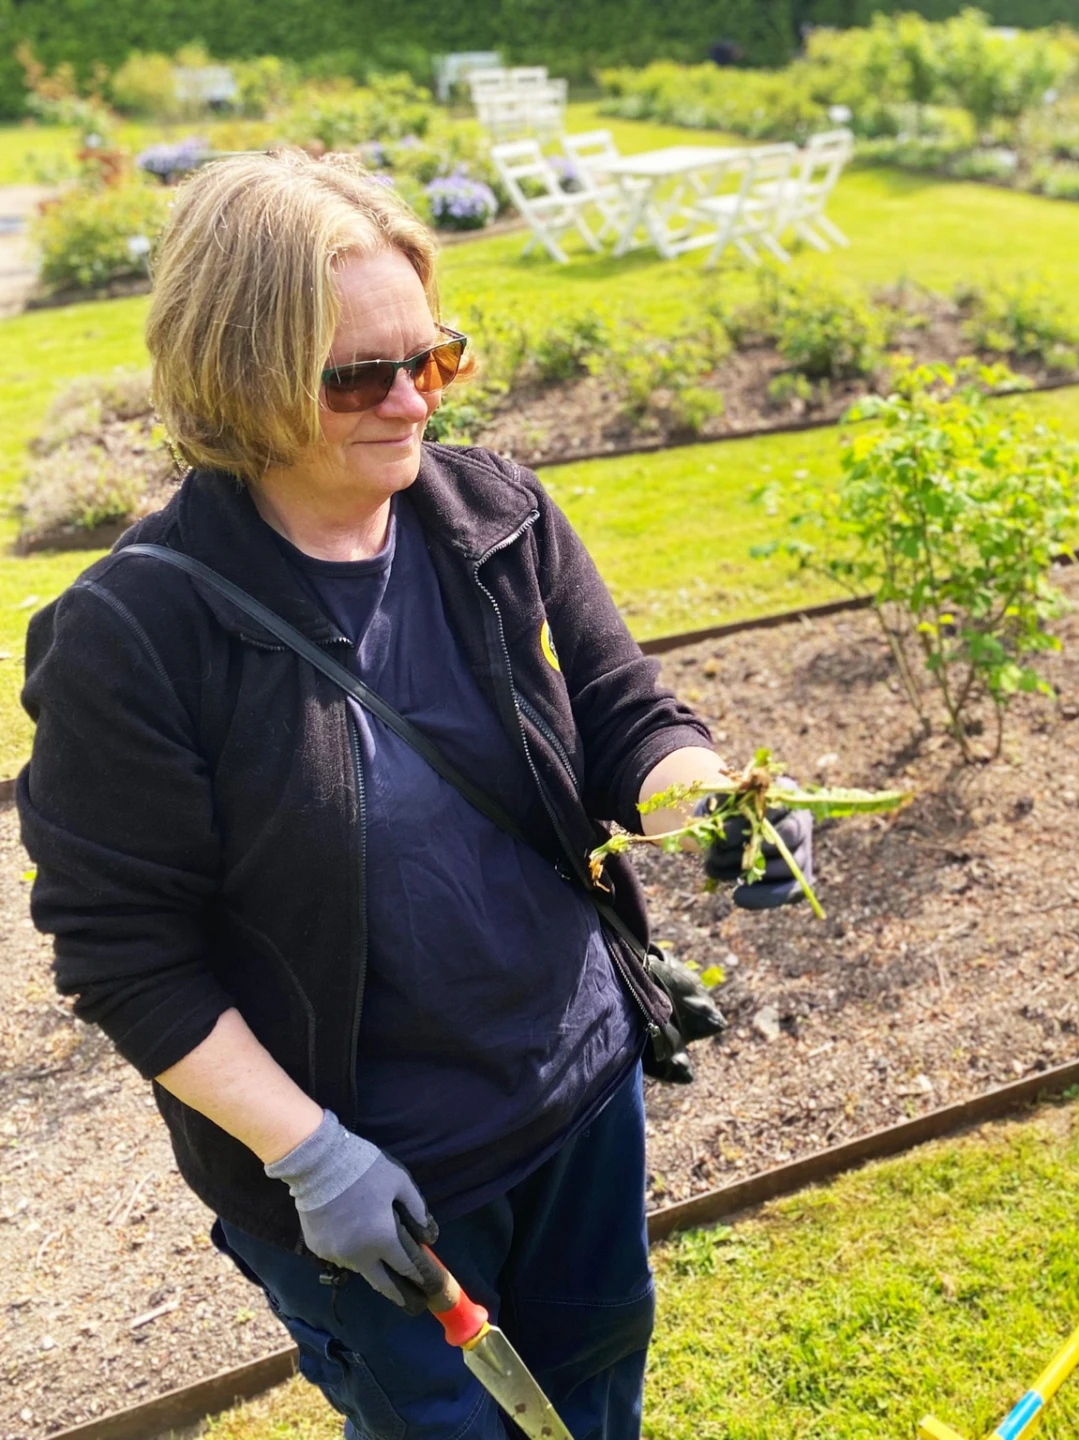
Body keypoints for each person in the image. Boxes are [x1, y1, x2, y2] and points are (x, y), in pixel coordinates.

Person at [18, 150, 814, 1440]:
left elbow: (626, 720)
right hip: (377, 1179)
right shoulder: (135, 634)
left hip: (578, 1093)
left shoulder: (491, 513)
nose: (409, 403)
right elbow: (126, 956)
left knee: (596, 1385)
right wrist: (311, 1156)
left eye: (433, 360)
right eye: (356, 377)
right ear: (238, 373)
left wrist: (721, 803)